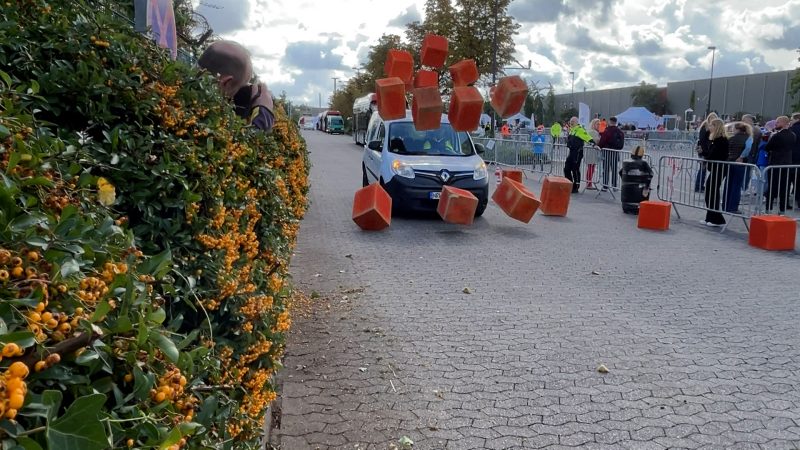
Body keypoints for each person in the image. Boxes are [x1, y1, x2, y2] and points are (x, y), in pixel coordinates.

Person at [198, 40, 275, 132]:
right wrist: (264, 113)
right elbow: (250, 143)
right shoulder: (198, 121)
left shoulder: (179, 90)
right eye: (241, 87)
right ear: (226, 82)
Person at [764, 116, 797, 214]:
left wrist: (771, 137)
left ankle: (768, 208)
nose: (776, 125)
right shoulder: (793, 135)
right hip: (787, 164)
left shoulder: (777, 136)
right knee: (784, 187)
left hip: (775, 163)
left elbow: (767, 147)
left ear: (783, 123)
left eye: (777, 123)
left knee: (772, 186)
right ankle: (782, 210)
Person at [701, 118, 729, 227]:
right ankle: (710, 217)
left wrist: (706, 155)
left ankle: (717, 219)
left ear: (716, 127)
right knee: (710, 192)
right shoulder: (716, 139)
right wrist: (704, 152)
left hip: (719, 168)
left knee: (712, 192)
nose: (710, 127)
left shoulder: (721, 140)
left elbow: (715, 155)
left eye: (712, 125)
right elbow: (710, 153)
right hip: (715, 168)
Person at [723, 122, 753, 213]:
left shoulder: (731, 138)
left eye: (733, 129)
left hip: (730, 161)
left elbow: (727, 149)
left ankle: (725, 205)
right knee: (736, 186)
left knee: (728, 184)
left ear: (737, 129)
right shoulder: (749, 138)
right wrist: (741, 156)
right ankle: (732, 207)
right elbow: (748, 148)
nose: (732, 130)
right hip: (740, 163)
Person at [565, 117, 595, 193]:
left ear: (576, 122)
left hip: (577, 152)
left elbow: (587, 137)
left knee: (575, 169)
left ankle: (576, 186)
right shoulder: (572, 130)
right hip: (571, 152)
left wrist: (594, 144)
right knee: (566, 168)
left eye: (573, 122)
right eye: (570, 121)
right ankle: (569, 183)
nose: (571, 123)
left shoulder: (580, 130)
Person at [598, 116, 625, 191]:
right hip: (615, 153)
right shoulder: (620, 132)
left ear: (610, 122)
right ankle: (614, 186)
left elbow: (602, 141)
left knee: (606, 169)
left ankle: (605, 186)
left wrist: (599, 147)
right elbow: (621, 144)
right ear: (616, 122)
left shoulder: (607, 131)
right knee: (614, 169)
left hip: (607, 152)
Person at [694, 112, 718, 193]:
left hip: (705, 150)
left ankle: (700, 185)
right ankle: (698, 186)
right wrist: (705, 151)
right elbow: (703, 140)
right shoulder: (705, 127)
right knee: (702, 169)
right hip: (703, 151)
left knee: (703, 169)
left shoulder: (709, 127)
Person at [741, 114, 761, 191]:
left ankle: (743, 187)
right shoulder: (757, 130)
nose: (742, 122)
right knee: (747, 171)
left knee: (746, 172)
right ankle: (744, 187)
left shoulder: (752, 130)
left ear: (748, 120)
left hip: (748, 153)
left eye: (743, 120)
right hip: (752, 153)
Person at [585, 119, 601, 189]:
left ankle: (589, 182)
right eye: (597, 124)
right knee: (591, 168)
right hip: (591, 152)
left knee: (590, 168)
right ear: (594, 124)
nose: (599, 126)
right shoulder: (593, 132)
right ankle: (589, 183)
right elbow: (597, 141)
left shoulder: (590, 131)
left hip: (590, 152)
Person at [789, 113, 800, 209]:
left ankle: (785, 202)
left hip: (792, 158)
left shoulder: (792, 130)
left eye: (792, 119)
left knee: (790, 180)